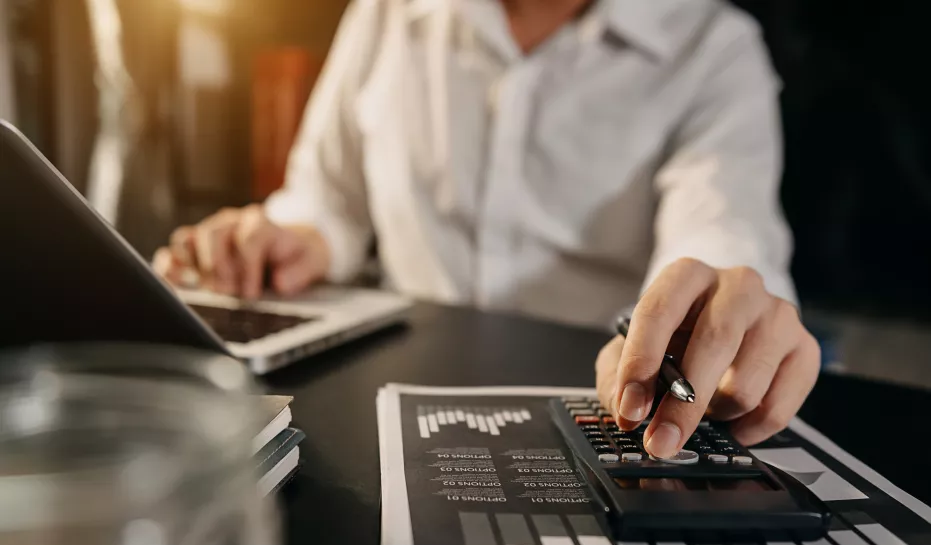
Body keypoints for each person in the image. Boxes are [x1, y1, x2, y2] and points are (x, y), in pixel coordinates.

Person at [153, 0, 820, 459]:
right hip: (376, 399)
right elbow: (328, 202)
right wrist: (287, 237)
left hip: (596, 413)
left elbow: (719, 236)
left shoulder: (714, 48)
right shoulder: (388, 12)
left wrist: (717, 309)